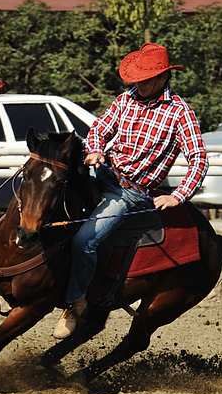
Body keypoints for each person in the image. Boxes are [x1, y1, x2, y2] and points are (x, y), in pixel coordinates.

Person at [53, 43, 208, 339]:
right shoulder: (126, 100)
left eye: (146, 79)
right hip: (102, 174)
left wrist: (178, 195)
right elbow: (99, 129)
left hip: (131, 192)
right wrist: (95, 150)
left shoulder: (180, 113)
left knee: (85, 239)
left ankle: (75, 304)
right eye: (137, 79)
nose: (139, 84)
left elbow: (199, 158)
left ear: (163, 78)